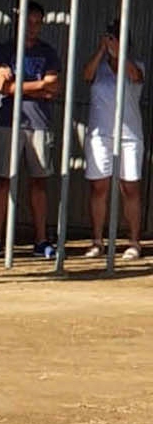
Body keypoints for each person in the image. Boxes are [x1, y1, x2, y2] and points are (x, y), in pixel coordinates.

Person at [0, 1, 61, 259]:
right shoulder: (5, 50)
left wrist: (20, 85)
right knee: (4, 180)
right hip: (9, 121)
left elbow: (55, 86)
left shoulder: (48, 51)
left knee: (39, 182)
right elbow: (3, 86)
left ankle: (41, 240)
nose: (32, 28)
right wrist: (40, 86)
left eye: (37, 23)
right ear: (19, 22)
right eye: (29, 22)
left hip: (39, 123)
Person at [80, 21, 144, 259]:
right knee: (99, 186)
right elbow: (86, 75)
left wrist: (121, 54)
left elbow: (136, 77)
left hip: (129, 136)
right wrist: (101, 51)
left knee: (130, 187)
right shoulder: (99, 67)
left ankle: (134, 241)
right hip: (100, 134)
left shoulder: (136, 65)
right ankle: (97, 241)